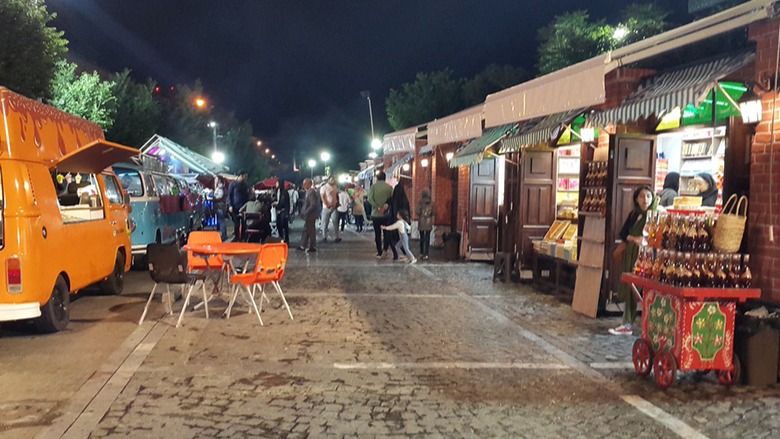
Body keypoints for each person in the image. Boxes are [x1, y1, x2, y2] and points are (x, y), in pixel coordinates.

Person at [610, 185, 655, 336]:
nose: (645, 200)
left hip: (648, 256)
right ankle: (627, 322)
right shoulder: (634, 215)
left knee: (649, 289)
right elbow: (623, 234)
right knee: (632, 287)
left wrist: (643, 241)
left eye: (648, 196)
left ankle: (650, 325)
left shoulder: (655, 215)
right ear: (636, 199)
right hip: (631, 254)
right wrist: (634, 239)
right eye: (642, 196)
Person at [368, 171, 393, 259]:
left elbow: (370, 199)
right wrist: (385, 207)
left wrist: (377, 207)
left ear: (377, 178)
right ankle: (385, 250)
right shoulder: (389, 188)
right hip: (386, 214)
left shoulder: (373, 187)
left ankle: (379, 251)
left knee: (377, 234)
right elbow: (391, 200)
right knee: (386, 233)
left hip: (376, 214)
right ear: (385, 178)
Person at [384, 182, 410, 259]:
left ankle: (395, 254)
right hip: (402, 222)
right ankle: (406, 253)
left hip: (392, 220)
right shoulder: (405, 200)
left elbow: (386, 206)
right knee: (402, 239)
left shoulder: (392, 199)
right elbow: (407, 211)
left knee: (392, 238)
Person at [298, 178, 321, 253]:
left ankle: (312, 246)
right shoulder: (308, 192)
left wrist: (306, 211)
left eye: (305, 183)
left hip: (311, 215)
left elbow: (313, 204)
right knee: (306, 230)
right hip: (309, 215)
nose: (304, 185)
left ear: (310, 184)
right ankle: (303, 245)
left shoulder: (311, 192)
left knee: (310, 231)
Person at [228, 170, 251, 240]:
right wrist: (230, 205)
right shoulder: (233, 184)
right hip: (235, 206)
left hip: (244, 207)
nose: (246, 178)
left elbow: (247, 197)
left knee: (244, 223)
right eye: (245, 176)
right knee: (236, 223)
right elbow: (229, 195)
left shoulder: (245, 185)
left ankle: (243, 237)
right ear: (241, 175)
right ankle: (237, 236)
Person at [320, 176, 340, 242]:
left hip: (334, 207)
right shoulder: (324, 187)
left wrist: (338, 202)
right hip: (326, 208)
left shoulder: (335, 187)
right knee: (325, 223)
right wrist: (327, 204)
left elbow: (337, 195)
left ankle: (336, 237)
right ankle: (324, 236)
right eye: (331, 180)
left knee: (335, 222)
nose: (333, 181)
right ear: (328, 180)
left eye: (334, 180)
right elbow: (323, 197)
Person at [415, 188, 434, 260]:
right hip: (429, 222)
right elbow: (434, 213)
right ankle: (427, 253)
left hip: (422, 221)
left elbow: (417, 211)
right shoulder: (432, 203)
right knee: (427, 238)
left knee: (422, 238)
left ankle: (421, 252)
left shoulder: (420, 202)